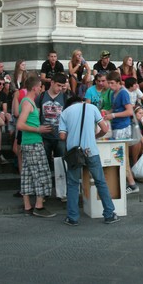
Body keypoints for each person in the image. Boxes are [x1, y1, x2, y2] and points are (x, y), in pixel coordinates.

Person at [59, 96, 119, 226]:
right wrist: (94, 136)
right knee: (100, 181)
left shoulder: (65, 113)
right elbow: (104, 129)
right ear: (81, 101)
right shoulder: (92, 108)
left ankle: (73, 217)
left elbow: (62, 136)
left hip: (74, 153)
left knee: (73, 184)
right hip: (91, 150)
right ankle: (109, 214)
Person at [16, 75, 55, 217]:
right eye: (40, 86)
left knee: (27, 174)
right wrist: (39, 129)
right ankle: (39, 206)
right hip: (33, 142)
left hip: (28, 142)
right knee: (42, 173)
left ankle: (27, 206)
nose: (41, 89)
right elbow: (20, 124)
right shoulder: (28, 103)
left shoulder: (27, 101)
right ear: (34, 87)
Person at [103, 71, 139, 194]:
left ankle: (131, 184)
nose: (110, 85)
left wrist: (112, 115)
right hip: (117, 127)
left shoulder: (123, 93)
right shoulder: (114, 93)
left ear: (119, 82)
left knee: (121, 157)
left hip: (123, 127)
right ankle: (130, 183)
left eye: (112, 83)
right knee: (120, 157)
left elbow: (129, 111)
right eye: (109, 83)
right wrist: (108, 112)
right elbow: (116, 108)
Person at [36, 72, 67, 165]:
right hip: (45, 136)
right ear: (52, 82)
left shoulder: (65, 97)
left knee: (61, 165)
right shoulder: (41, 96)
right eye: (58, 85)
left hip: (60, 136)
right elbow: (37, 115)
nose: (60, 88)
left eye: (62, 86)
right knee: (44, 164)